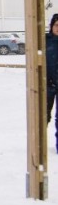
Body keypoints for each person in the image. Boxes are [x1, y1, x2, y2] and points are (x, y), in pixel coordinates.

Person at [46, 14, 58, 153]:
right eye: (56, 25)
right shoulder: (45, 41)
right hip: (47, 84)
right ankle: (39, 144)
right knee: (44, 115)